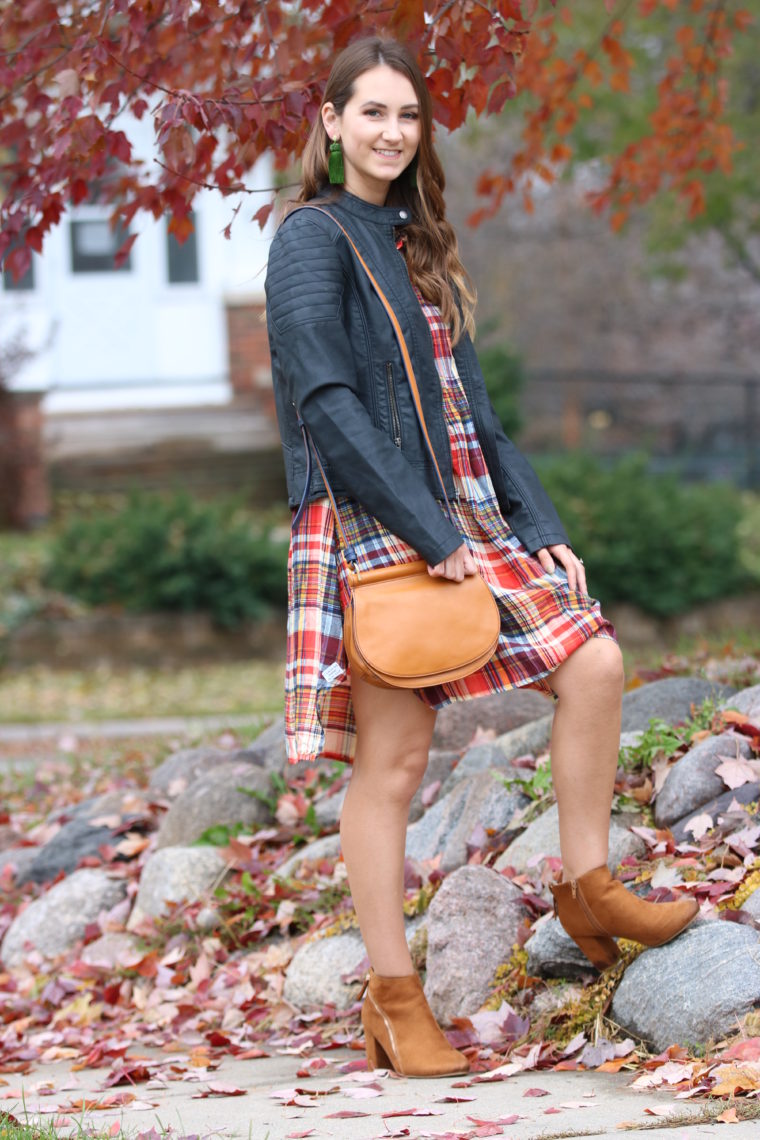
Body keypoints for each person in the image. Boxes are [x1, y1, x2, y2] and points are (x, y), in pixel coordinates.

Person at [264, 36, 698, 1079]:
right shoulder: (310, 239)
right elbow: (324, 403)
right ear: (330, 123)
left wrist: (536, 522)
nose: (390, 132)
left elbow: (474, 409)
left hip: (467, 515)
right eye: (370, 112)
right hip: (379, 518)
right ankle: (394, 995)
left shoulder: (417, 239)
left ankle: (588, 891)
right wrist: (430, 532)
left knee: (590, 663)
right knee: (395, 758)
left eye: (406, 117)